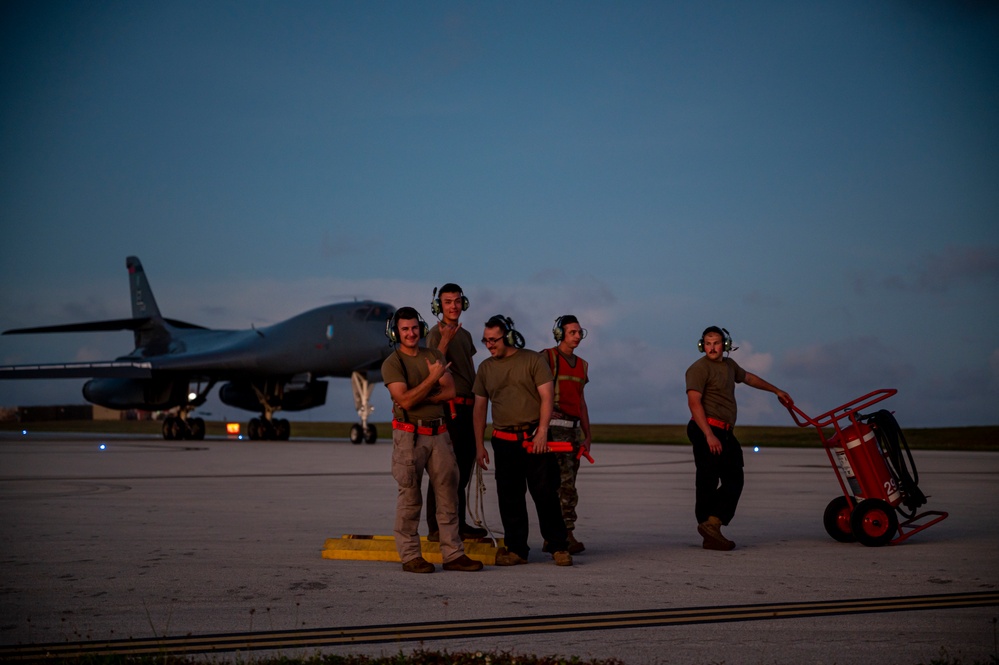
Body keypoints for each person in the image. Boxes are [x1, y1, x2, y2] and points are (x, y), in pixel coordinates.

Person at [381, 307, 482, 573]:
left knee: (449, 496)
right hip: (409, 436)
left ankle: (453, 555)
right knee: (410, 499)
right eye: (405, 329)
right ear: (395, 332)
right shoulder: (393, 363)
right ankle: (411, 556)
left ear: (421, 329)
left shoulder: (434, 354)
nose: (411, 333)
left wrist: (424, 392)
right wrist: (432, 379)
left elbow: (449, 391)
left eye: (414, 328)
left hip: (439, 434)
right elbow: (404, 400)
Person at [473, 315, 573, 567]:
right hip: (504, 441)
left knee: (545, 493)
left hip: (534, 438)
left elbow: (547, 397)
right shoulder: (485, 368)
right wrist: (478, 444)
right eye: (485, 341)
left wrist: (542, 431)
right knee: (510, 497)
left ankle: (559, 546)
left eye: (493, 340)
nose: (489, 345)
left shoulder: (533, 360)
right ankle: (517, 550)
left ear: (507, 336)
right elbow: (479, 409)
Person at [685, 326, 792, 551]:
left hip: (725, 431)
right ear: (701, 346)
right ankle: (708, 526)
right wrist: (708, 435)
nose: (712, 347)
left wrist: (776, 391)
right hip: (707, 429)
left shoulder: (730, 366)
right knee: (707, 480)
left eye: (716, 343)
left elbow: (750, 378)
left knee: (735, 478)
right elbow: (694, 403)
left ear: (725, 345)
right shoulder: (698, 369)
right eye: (707, 343)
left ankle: (712, 525)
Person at [424, 284, 489, 542]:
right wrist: (444, 341)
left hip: (467, 406)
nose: (453, 306)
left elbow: (470, 371)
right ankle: (435, 527)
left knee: (461, 469)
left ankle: (458, 524)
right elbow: (433, 369)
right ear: (439, 306)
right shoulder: (433, 334)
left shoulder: (467, 334)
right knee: (443, 470)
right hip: (449, 409)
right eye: (448, 302)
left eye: (457, 301)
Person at [541, 315, 591, 555]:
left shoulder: (582, 365)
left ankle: (559, 534)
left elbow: (581, 401)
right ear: (559, 333)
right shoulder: (547, 358)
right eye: (572, 332)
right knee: (559, 484)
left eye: (579, 332)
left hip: (572, 430)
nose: (577, 336)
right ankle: (563, 534)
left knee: (568, 484)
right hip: (553, 429)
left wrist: (587, 434)